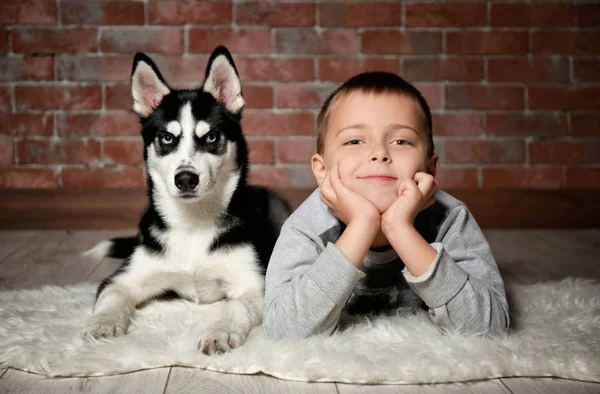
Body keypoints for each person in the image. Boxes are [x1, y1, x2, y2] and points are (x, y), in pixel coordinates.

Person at [263, 71, 510, 340]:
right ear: (322, 170)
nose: (379, 153)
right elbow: (282, 331)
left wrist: (399, 227)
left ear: (430, 167)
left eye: (400, 141)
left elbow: (490, 328)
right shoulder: (307, 226)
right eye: (355, 141)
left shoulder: (450, 219)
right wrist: (362, 225)